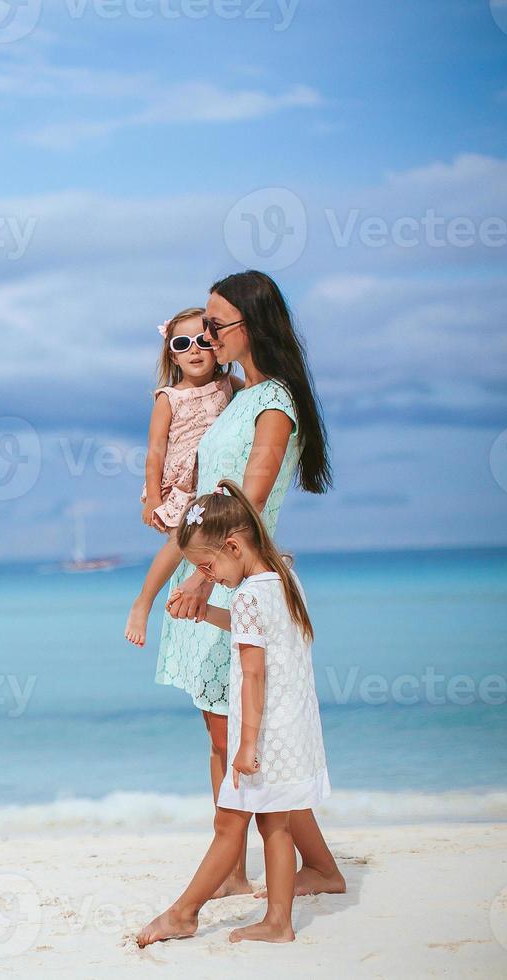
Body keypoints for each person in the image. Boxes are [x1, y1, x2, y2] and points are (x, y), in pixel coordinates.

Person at [154, 270, 342, 898]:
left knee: (242, 735)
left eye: (216, 324)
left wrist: (207, 583)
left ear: (249, 325)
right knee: (223, 729)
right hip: (212, 568)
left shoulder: (274, 404)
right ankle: (292, 867)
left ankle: (247, 869)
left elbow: (250, 502)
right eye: (202, 326)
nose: (207, 335)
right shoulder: (236, 398)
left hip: (238, 578)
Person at [137, 480, 337, 946]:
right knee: (274, 823)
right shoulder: (283, 576)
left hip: (262, 733)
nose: (211, 576)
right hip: (293, 727)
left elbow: (253, 675)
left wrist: (245, 745)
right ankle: (277, 921)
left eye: (208, 567)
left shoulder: (247, 594)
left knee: (231, 824)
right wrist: (208, 613)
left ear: (232, 545)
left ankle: (185, 915)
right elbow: (260, 633)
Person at [125, 306, 237, 647]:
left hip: (216, 483)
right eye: (182, 343)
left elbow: (258, 398)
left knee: (217, 543)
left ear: (217, 347)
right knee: (180, 543)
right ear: (172, 356)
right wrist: (155, 500)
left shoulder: (229, 384)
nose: (193, 349)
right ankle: (143, 603)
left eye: (202, 340)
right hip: (181, 486)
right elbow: (155, 450)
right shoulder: (168, 397)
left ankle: (202, 603)